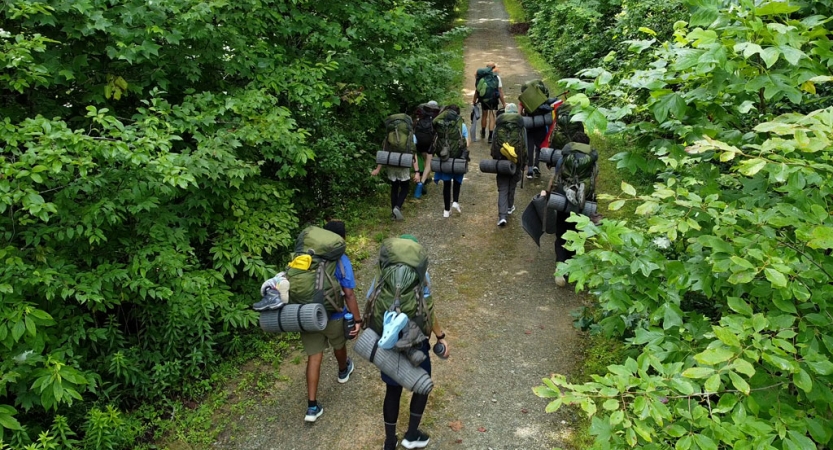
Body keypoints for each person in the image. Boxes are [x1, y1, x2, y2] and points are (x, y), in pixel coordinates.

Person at [261, 220, 362, 422]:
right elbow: (349, 294)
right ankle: (343, 370)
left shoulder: (305, 257)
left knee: (314, 357)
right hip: (333, 313)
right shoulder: (341, 259)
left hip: (308, 314)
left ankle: (312, 407)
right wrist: (358, 320)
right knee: (339, 344)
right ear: (342, 239)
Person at [367, 234, 450, 450]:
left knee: (392, 390)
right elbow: (428, 311)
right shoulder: (420, 273)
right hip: (416, 338)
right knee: (421, 384)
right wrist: (440, 337)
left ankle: (389, 441)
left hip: (388, 336)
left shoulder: (384, 272)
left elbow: (370, 298)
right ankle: (412, 434)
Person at [540, 132, 598, 287]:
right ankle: (573, 271)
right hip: (583, 204)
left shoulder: (564, 158)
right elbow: (594, 181)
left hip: (562, 200)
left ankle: (560, 269)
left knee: (561, 235)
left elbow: (556, 177)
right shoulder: (592, 161)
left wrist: (548, 194)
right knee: (577, 235)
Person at [490, 103, 527, 227]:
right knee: (512, 184)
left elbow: (494, 143)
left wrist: (494, 157)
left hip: (501, 159)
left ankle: (502, 216)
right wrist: (524, 163)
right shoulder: (520, 125)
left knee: (502, 187)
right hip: (516, 159)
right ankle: (510, 207)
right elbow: (525, 145)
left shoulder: (499, 124)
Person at [431, 105, 471, 218]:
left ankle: (446, 210)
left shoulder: (440, 125)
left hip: (444, 158)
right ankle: (455, 202)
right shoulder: (461, 125)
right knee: (457, 181)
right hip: (457, 158)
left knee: (446, 184)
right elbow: (467, 143)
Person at [372, 135, 421, 221]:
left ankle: (393, 215)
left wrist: (378, 169)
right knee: (405, 188)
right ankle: (397, 207)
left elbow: (384, 152)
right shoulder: (410, 135)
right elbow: (414, 156)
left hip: (391, 163)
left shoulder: (390, 134)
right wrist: (417, 172)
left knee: (394, 188)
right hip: (403, 164)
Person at [472, 62, 506, 144]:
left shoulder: (481, 77)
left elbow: (477, 90)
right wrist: (504, 103)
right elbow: (500, 91)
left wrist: (474, 100)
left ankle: (483, 132)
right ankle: (490, 136)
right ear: (494, 68)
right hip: (493, 99)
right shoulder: (496, 77)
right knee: (492, 116)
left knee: (484, 114)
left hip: (484, 99)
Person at [414, 101, 441, 197]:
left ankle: (423, 176)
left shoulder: (421, 116)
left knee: (422, 157)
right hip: (430, 140)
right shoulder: (436, 117)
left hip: (419, 139)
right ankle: (422, 181)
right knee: (429, 161)